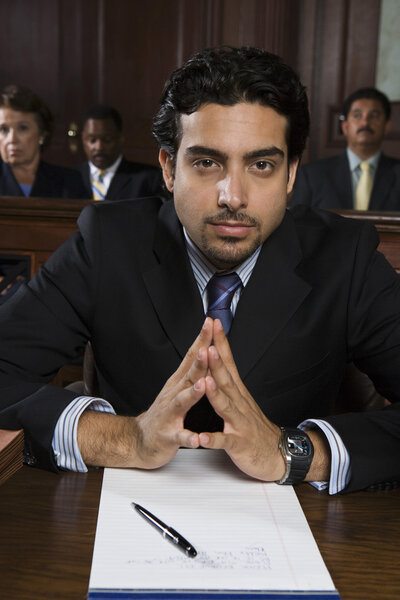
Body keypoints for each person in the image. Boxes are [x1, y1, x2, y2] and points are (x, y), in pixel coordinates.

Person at [0, 47, 399, 495]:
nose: (233, 195)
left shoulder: (346, 257)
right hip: (124, 515)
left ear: (290, 176)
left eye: (261, 165)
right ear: (169, 168)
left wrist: (292, 452)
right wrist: (124, 439)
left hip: (298, 527)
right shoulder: (107, 243)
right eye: (207, 162)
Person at [290, 87, 400, 211]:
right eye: (357, 115)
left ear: (387, 126)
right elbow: (297, 225)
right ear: (345, 126)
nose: (365, 123)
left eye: (374, 116)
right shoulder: (312, 175)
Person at [0, 84, 87, 198]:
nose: (12, 139)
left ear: (42, 134)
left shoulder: (69, 181)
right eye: (4, 129)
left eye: (22, 128)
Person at [76, 105, 164, 201]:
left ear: (121, 138)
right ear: (83, 139)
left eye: (107, 140)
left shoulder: (148, 179)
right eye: (92, 140)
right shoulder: (72, 176)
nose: (99, 147)